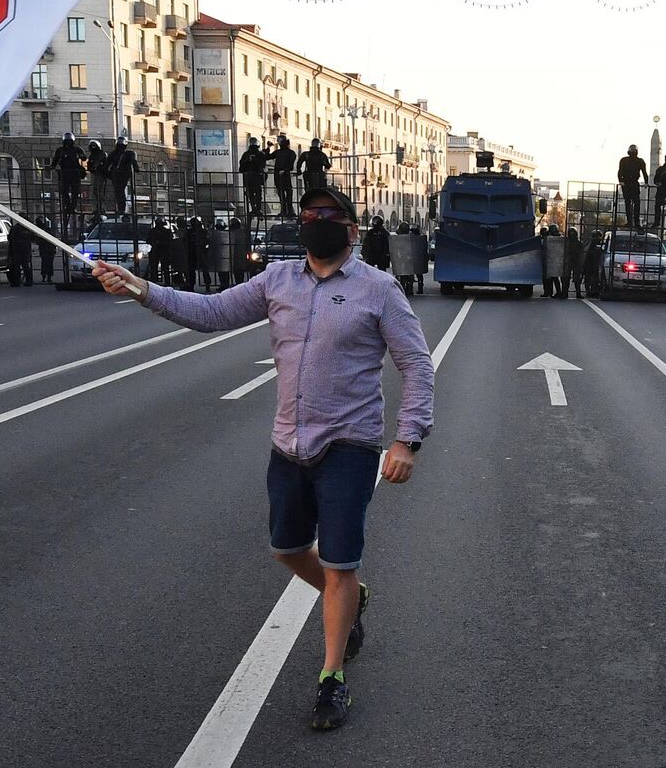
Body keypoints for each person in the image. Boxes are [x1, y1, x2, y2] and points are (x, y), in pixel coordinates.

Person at [91, 185, 432, 732]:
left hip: (348, 445)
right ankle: (353, 600)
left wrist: (406, 440)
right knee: (288, 549)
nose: (315, 221)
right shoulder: (277, 281)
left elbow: (417, 364)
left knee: (341, 562)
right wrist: (141, 290)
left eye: (328, 215)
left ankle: (331, 679)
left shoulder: (379, 290)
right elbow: (209, 312)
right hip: (288, 444)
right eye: (307, 214)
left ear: (350, 229)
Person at [49, 133, 86, 214]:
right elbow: (55, 160)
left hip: (74, 172)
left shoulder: (76, 149)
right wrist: (52, 166)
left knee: (74, 192)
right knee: (65, 191)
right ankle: (68, 207)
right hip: (65, 172)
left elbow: (84, 158)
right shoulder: (60, 150)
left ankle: (72, 207)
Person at [239, 136, 268, 222]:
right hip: (256, 178)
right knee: (258, 194)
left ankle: (254, 208)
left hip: (249, 178)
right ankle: (257, 209)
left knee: (250, 194)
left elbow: (241, 167)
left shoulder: (246, 154)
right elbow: (262, 165)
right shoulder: (260, 154)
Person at [617, 145, 646, 228]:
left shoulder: (639, 161)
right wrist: (621, 181)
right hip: (627, 183)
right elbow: (620, 172)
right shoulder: (624, 160)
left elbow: (644, 172)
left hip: (632, 183)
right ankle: (631, 222)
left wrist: (646, 182)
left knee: (635, 203)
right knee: (629, 203)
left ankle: (635, 222)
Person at [108, 137, 138, 214]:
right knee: (119, 191)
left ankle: (121, 209)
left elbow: (106, 164)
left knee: (119, 191)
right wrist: (136, 168)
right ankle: (122, 209)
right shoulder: (129, 153)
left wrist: (108, 174)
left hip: (119, 175)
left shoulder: (115, 153)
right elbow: (133, 162)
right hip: (122, 174)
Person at [271, 135, 298, 217]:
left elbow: (290, 165)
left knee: (284, 192)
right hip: (282, 175)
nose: (278, 142)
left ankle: (286, 210)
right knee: (285, 192)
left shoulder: (283, 152)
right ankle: (287, 210)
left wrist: (284, 170)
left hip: (282, 176)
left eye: (279, 140)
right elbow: (267, 157)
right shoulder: (288, 152)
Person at [145, 217, 175, 284]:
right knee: (155, 268)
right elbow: (148, 240)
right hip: (157, 250)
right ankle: (157, 282)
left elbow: (170, 241)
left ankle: (164, 282)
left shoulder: (164, 231)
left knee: (163, 268)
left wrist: (160, 243)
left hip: (163, 250)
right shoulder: (154, 231)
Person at [7, 218, 34, 287]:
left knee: (17, 266)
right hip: (26, 249)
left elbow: (10, 238)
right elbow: (33, 238)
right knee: (26, 266)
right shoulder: (28, 228)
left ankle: (17, 282)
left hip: (17, 249)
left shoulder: (15, 228)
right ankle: (29, 281)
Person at [86, 140, 111, 213]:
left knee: (100, 191)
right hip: (95, 175)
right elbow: (90, 165)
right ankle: (98, 208)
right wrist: (92, 168)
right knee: (96, 192)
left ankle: (101, 208)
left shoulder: (102, 154)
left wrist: (96, 167)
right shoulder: (92, 156)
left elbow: (104, 164)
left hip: (101, 174)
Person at [563, 226, 584, 299]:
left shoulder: (575, 243)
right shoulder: (567, 242)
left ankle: (568, 293)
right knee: (567, 278)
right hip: (571, 261)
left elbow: (581, 253)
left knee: (574, 279)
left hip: (575, 261)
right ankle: (566, 293)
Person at [36, 216, 58, 285]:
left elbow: (37, 240)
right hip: (47, 248)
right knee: (47, 262)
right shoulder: (45, 230)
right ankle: (47, 276)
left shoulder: (42, 230)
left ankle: (46, 276)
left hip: (47, 248)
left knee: (46, 262)